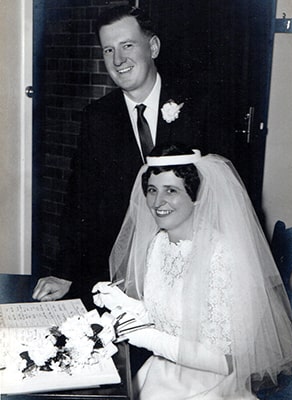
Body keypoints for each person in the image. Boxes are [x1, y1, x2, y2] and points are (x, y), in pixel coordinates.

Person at [32, 5, 213, 306]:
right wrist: (64, 273)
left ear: (152, 47)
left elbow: (220, 194)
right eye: (108, 50)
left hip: (191, 268)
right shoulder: (96, 118)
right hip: (122, 274)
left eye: (127, 45)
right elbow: (79, 200)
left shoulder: (199, 106)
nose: (118, 60)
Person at [92, 143, 292, 399]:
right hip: (163, 371)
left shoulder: (222, 255)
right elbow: (168, 316)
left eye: (172, 191)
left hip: (210, 385)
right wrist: (125, 306)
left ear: (197, 196)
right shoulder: (159, 243)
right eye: (152, 190)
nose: (157, 202)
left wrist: (146, 338)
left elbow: (228, 361)